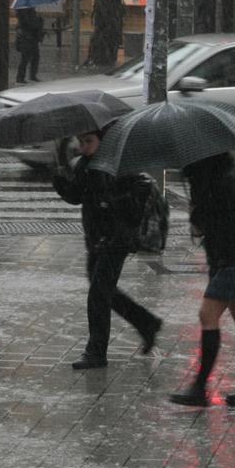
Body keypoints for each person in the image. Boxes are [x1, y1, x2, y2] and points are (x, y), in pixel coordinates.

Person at [52, 130, 163, 370]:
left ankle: (96, 352)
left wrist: (110, 203)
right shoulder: (86, 165)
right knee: (102, 289)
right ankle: (145, 321)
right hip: (96, 238)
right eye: (80, 142)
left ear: (103, 142)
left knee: (98, 293)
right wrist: (61, 173)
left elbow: (129, 206)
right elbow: (76, 196)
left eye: (89, 141)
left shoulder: (118, 166)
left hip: (115, 240)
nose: (83, 147)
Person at [170, 151, 235, 407]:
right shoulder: (226, 177)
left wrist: (197, 211)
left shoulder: (217, 184)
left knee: (208, 315)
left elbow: (206, 226)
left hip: (233, 260)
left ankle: (200, 387)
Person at [15, 6, 45, 83]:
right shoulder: (25, 13)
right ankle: (22, 77)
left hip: (30, 38)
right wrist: (39, 21)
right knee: (26, 58)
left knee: (34, 57)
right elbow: (31, 24)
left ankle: (30, 76)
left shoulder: (25, 12)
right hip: (28, 38)